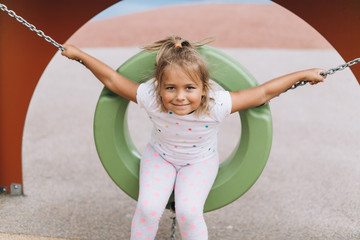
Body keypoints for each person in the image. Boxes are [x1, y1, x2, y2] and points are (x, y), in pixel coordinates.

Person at [61, 35, 325, 240]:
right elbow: (113, 80)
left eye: (189, 88)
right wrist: (79, 55)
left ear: (204, 88)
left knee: (188, 213)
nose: (180, 96)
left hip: (199, 163)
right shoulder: (152, 99)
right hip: (160, 158)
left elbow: (263, 93)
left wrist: (303, 74)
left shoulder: (216, 104)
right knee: (147, 209)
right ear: (159, 87)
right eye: (170, 88)